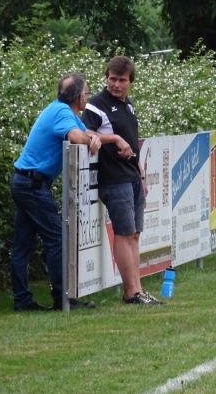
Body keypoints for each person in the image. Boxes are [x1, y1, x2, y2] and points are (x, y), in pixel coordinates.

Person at [11, 73, 102, 311]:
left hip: (25, 181)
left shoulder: (60, 110)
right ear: (80, 98)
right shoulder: (62, 113)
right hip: (32, 184)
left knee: (22, 245)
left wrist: (94, 138)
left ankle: (23, 301)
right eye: (87, 93)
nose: (87, 98)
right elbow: (76, 137)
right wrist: (90, 139)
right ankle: (63, 299)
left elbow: (88, 133)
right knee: (57, 240)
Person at [81, 56, 162, 305]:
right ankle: (130, 293)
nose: (116, 84)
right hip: (113, 178)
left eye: (122, 80)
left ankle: (138, 289)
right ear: (106, 78)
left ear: (130, 82)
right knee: (124, 234)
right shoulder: (95, 105)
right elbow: (83, 133)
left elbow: (132, 141)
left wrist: (141, 173)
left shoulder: (129, 105)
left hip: (132, 177)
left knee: (135, 234)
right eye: (112, 79)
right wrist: (114, 139)